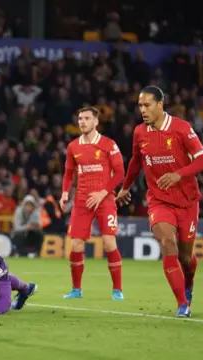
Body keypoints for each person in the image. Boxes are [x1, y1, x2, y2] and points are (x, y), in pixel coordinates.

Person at [116, 85, 203, 317]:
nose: (143, 110)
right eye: (140, 105)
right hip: (159, 200)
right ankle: (182, 304)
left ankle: (188, 284)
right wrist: (125, 187)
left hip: (187, 201)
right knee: (167, 242)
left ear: (160, 104)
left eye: (147, 105)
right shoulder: (140, 132)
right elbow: (136, 162)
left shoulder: (181, 128)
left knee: (185, 258)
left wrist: (179, 174)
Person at [60, 106, 125, 300]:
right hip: (81, 200)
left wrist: (102, 193)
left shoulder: (108, 144)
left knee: (108, 242)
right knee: (76, 245)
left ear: (96, 122)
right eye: (80, 118)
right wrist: (64, 193)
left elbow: (120, 173)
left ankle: (117, 290)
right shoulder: (73, 146)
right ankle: (76, 290)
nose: (82, 122)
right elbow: (69, 173)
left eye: (87, 118)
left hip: (105, 200)